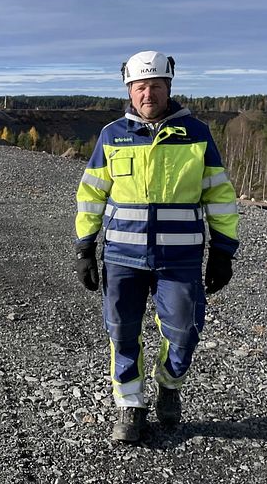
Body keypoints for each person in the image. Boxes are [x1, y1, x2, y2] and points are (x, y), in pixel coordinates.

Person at [74, 51, 239, 443]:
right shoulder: (111, 136)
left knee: (184, 332)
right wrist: (84, 246)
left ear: (169, 88)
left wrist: (223, 249)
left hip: (179, 259)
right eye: (140, 87)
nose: (148, 94)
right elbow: (92, 194)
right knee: (122, 332)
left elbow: (218, 193)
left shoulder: (196, 134)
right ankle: (130, 405)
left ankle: (169, 387)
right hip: (121, 256)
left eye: (156, 86)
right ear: (130, 90)